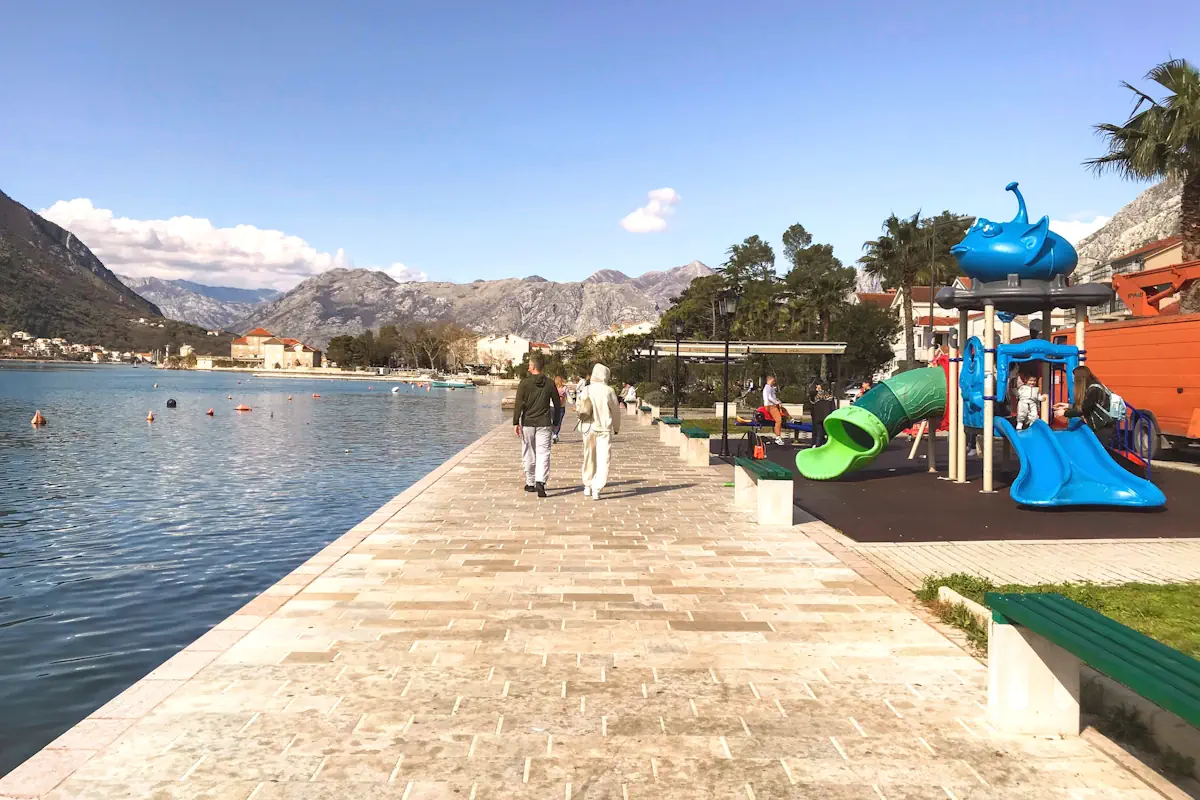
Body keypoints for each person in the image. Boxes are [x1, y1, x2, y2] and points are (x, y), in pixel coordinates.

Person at [513, 353, 561, 497]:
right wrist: (556, 422)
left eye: (529, 365)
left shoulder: (524, 383)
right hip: (544, 423)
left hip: (528, 422)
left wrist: (516, 421)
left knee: (528, 452)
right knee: (543, 452)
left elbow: (519, 404)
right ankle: (541, 481)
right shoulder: (549, 383)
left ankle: (530, 482)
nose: (528, 367)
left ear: (533, 367)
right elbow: (557, 404)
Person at [579, 363, 621, 500]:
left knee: (588, 456)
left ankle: (587, 485)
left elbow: (579, 406)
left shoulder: (586, 389)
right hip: (603, 428)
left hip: (588, 427)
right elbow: (616, 411)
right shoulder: (609, 391)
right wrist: (616, 427)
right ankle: (597, 488)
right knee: (603, 458)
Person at [1055, 365, 1121, 441]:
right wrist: (1068, 406)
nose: (1073, 380)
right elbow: (1087, 406)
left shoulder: (1093, 390)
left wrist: (1064, 413)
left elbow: (1084, 410)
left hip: (1103, 427)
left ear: (1080, 378)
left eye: (1074, 377)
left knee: (1099, 450)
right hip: (1104, 426)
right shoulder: (1094, 387)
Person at [762, 374, 786, 446]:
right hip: (771, 405)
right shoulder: (768, 387)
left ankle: (791, 419)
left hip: (770, 405)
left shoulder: (769, 387)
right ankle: (778, 438)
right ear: (770, 380)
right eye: (773, 381)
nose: (774, 382)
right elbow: (769, 397)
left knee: (783, 410)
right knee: (778, 420)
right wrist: (777, 402)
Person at [809, 382, 834, 448]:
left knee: (819, 433)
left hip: (817, 417)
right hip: (827, 417)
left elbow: (812, 404)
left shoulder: (816, 397)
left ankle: (817, 445)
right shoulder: (830, 397)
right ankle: (829, 446)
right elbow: (833, 407)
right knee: (829, 432)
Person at [552, 374, 568, 444]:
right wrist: (574, 405)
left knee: (553, 421)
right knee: (559, 422)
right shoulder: (565, 388)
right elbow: (569, 397)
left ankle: (554, 433)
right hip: (561, 407)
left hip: (552, 407)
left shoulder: (552, 387)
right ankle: (555, 434)